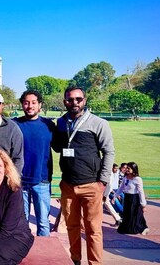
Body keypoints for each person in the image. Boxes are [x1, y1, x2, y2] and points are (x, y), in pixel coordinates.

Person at [56, 86, 115, 265]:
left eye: (78, 99)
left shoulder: (98, 123)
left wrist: (103, 181)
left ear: (85, 100)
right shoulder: (61, 122)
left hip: (91, 185)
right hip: (68, 185)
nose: (74, 103)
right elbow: (58, 147)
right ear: (65, 101)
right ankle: (75, 260)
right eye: (70, 99)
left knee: (93, 229)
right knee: (72, 227)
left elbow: (109, 152)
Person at [13, 90, 58, 236]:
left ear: (39, 105)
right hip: (19, 180)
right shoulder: (14, 125)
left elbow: (60, 146)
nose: (30, 106)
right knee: (21, 222)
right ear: (22, 105)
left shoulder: (48, 125)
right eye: (26, 103)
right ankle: (24, 253)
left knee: (43, 223)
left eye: (33, 103)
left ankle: (44, 255)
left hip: (42, 180)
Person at [113, 162, 149, 235]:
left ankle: (141, 228)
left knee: (134, 214)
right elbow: (121, 188)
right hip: (127, 197)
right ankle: (127, 228)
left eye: (129, 168)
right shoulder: (125, 177)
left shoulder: (137, 179)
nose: (127, 169)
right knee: (127, 214)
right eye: (126, 168)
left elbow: (141, 192)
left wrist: (143, 204)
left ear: (134, 169)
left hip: (134, 198)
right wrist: (115, 196)